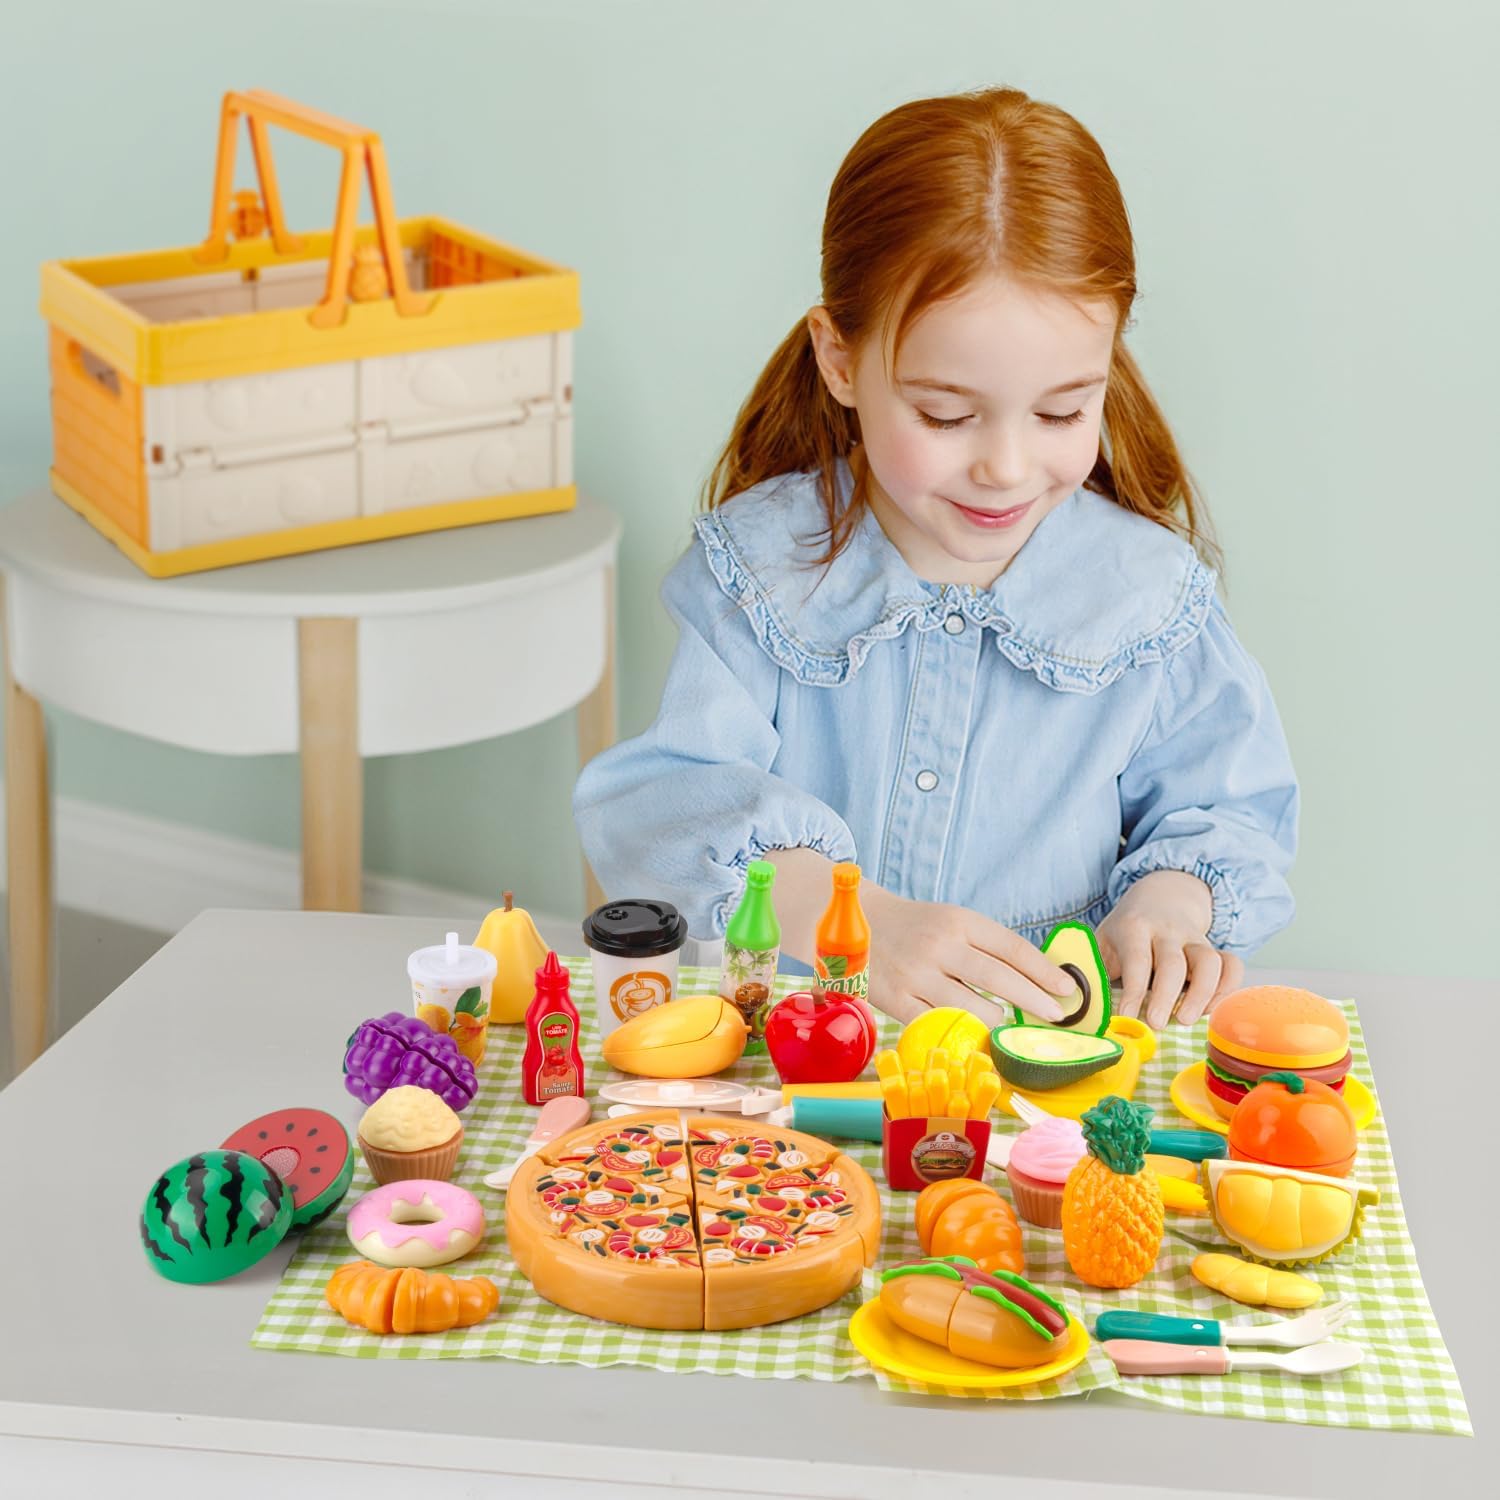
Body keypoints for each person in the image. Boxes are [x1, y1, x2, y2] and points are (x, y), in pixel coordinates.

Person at [574, 86, 1297, 1031]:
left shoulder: (1150, 600)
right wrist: (849, 921)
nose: (1006, 467)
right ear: (840, 361)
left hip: (1052, 1074)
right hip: (810, 1057)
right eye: (946, 415)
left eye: (1063, 411)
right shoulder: (761, 574)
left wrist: (1169, 901)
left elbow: (1230, 810)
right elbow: (666, 806)